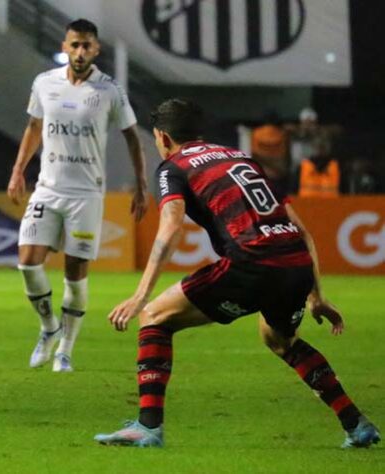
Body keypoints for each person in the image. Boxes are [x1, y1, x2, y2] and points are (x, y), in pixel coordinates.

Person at [95, 98, 380, 448]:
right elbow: (303, 231)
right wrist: (317, 295)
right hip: (294, 264)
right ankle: (356, 425)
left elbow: (170, 229)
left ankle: (148, 426)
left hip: (251, 263)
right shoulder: (241, 158)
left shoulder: (174, 167)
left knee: (154, 316)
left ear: (162, 137)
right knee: (280, 341)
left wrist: (140, 295)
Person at [6, 19, 148, 372]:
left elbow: (132, 136)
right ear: (65, 46)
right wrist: (17, 170)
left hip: (86, 194)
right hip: (47, 188)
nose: (80, 52)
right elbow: (34, 127)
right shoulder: (45, 83)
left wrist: (142, 184)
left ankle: (65, 350)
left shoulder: (110, 90)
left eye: (87, 46)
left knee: (75, 273)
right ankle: (48, 327)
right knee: (27, 261)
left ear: (96, 49)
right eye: (74, 45)